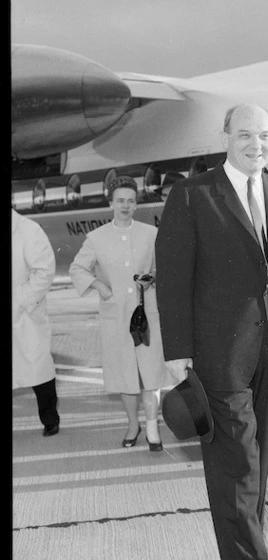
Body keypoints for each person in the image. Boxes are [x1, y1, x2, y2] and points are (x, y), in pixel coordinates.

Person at [155, 103, 268, 560]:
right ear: (224, 137)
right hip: (218, 356)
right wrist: (178, 351)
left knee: (258, 465)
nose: (256, 145)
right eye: (244, 135)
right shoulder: (192, 195)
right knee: (234, 464)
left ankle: (245, 556)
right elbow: (174, 278)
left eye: (264, 136)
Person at [69, 176, 173, 451]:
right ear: (111, 203)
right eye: (120, 201)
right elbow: (77, 269)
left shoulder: (151, 233)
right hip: (116, 315)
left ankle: (152, 427)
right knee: (124, 374)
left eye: (130, 201)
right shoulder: (97, 238)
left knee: (151, 372)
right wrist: (98, 285)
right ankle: (132, 424)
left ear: (137, 204)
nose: (125, 206)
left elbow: (165, 267)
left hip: (146, 312)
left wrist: (153, 278)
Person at [12, 209, 60, 437]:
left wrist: (22, 299)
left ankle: (50, 418)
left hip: (24, 313)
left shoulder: (28, 229)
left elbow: (44, 270)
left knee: (37, 368)